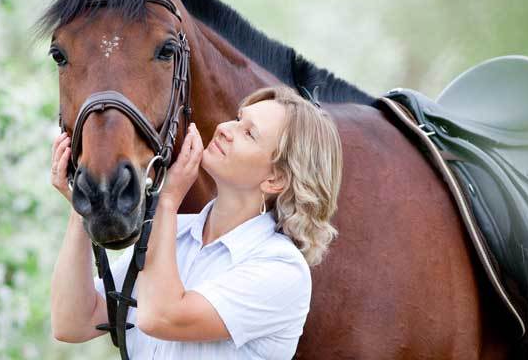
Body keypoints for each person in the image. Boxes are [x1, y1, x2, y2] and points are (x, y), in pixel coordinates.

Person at [50, 86, 343, 359]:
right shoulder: (175, 234)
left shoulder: (281, 270)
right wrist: (84, 203)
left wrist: (167, 201)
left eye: (249, 133)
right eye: (237, 119)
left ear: (275, 179)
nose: (226, 129)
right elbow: (73, 322)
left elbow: (160, 317)